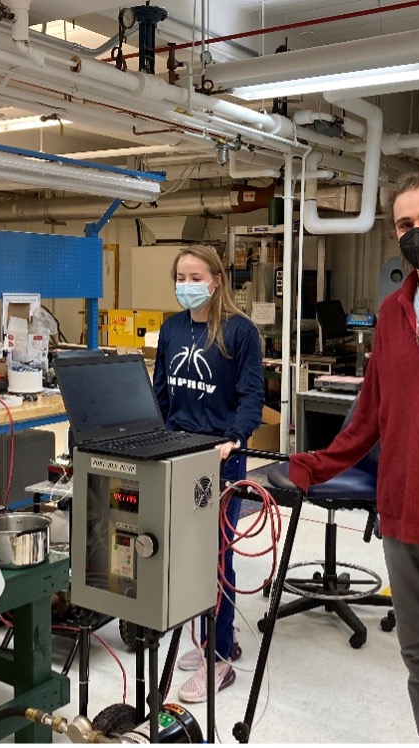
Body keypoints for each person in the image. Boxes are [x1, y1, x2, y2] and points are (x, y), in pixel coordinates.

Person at [289, 170, 419, 743]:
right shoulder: (391, 314)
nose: (416, 232)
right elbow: (369, 418)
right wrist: (309, 465)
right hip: (403, 522)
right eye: (405, 224)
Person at [153, 244, 264, 703]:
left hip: (221, 456)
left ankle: (220, 654)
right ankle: (204, 639)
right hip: (178, 452)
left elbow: (252, 396)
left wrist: (234, 438)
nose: (187, 285)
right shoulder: (171, 328)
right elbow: (161, 390)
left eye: (196, 276)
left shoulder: (240, 332)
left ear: (216, 280)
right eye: (181, 276)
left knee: (217, 557)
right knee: (185, 555)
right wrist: (151, 435)